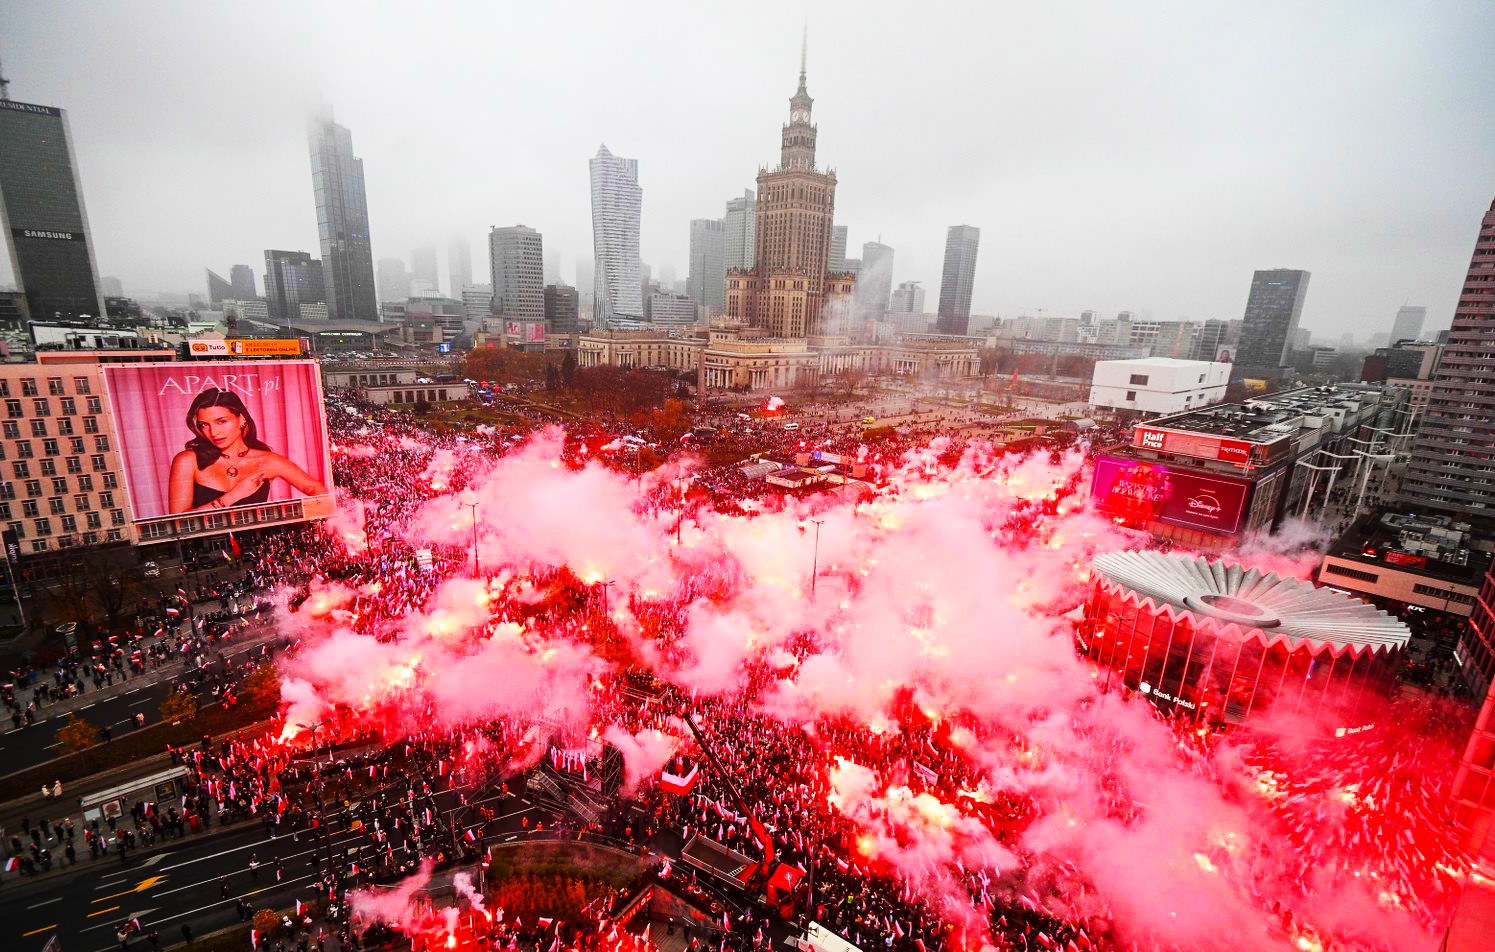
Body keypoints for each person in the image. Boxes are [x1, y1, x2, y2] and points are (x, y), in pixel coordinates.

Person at [168, 388, 328, 514]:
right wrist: (232, 496)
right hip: (203, 549)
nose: (213, 432)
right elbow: (178, 523)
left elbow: (317, 490)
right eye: (204, 425)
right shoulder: (188, 461)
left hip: (258, 545)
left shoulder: (268, 461)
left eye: (221, 421)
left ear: (242, 419)